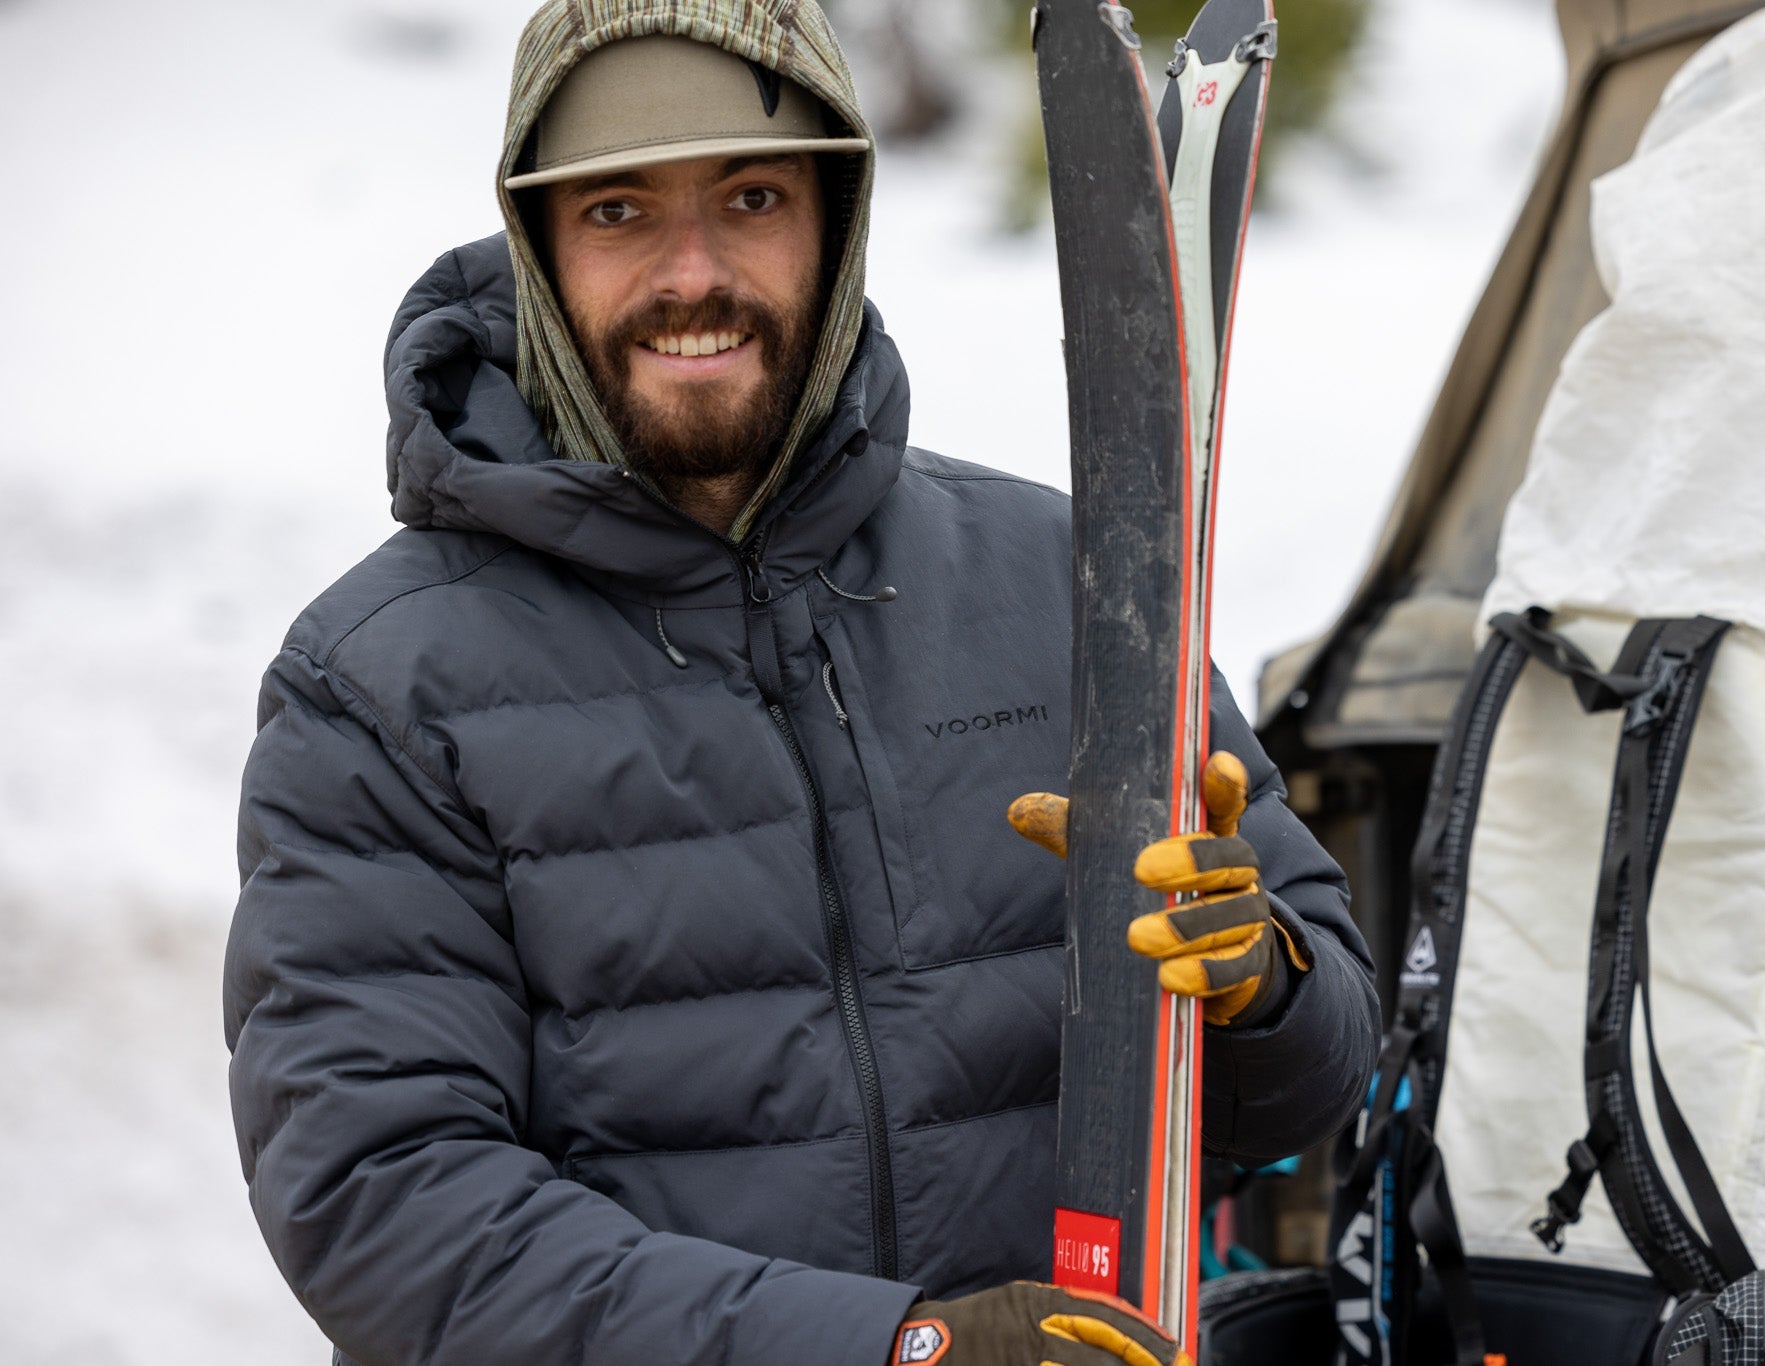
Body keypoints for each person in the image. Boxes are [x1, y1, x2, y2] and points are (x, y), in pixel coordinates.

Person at [221, 3, 1380, 1363]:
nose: (692, 272)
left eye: (754, 197)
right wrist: (894, 1347)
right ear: (538, 249)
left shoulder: (1057, 574)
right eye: (615, 212)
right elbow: (387, 1204)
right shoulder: (382, 686)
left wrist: (1260, 987)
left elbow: (1313, 1074)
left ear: (837, 225)